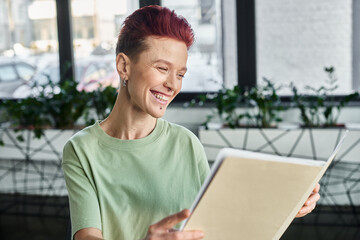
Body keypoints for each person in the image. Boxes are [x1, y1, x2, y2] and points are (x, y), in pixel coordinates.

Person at [62, 5, 320, 240]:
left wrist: (285, 205)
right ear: (123, 66)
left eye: (180, 74)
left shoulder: (186, 143)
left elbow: (218, 222)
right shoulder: (82, 150)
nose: (173, 84)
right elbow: (86, 237)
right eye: (162, 69)